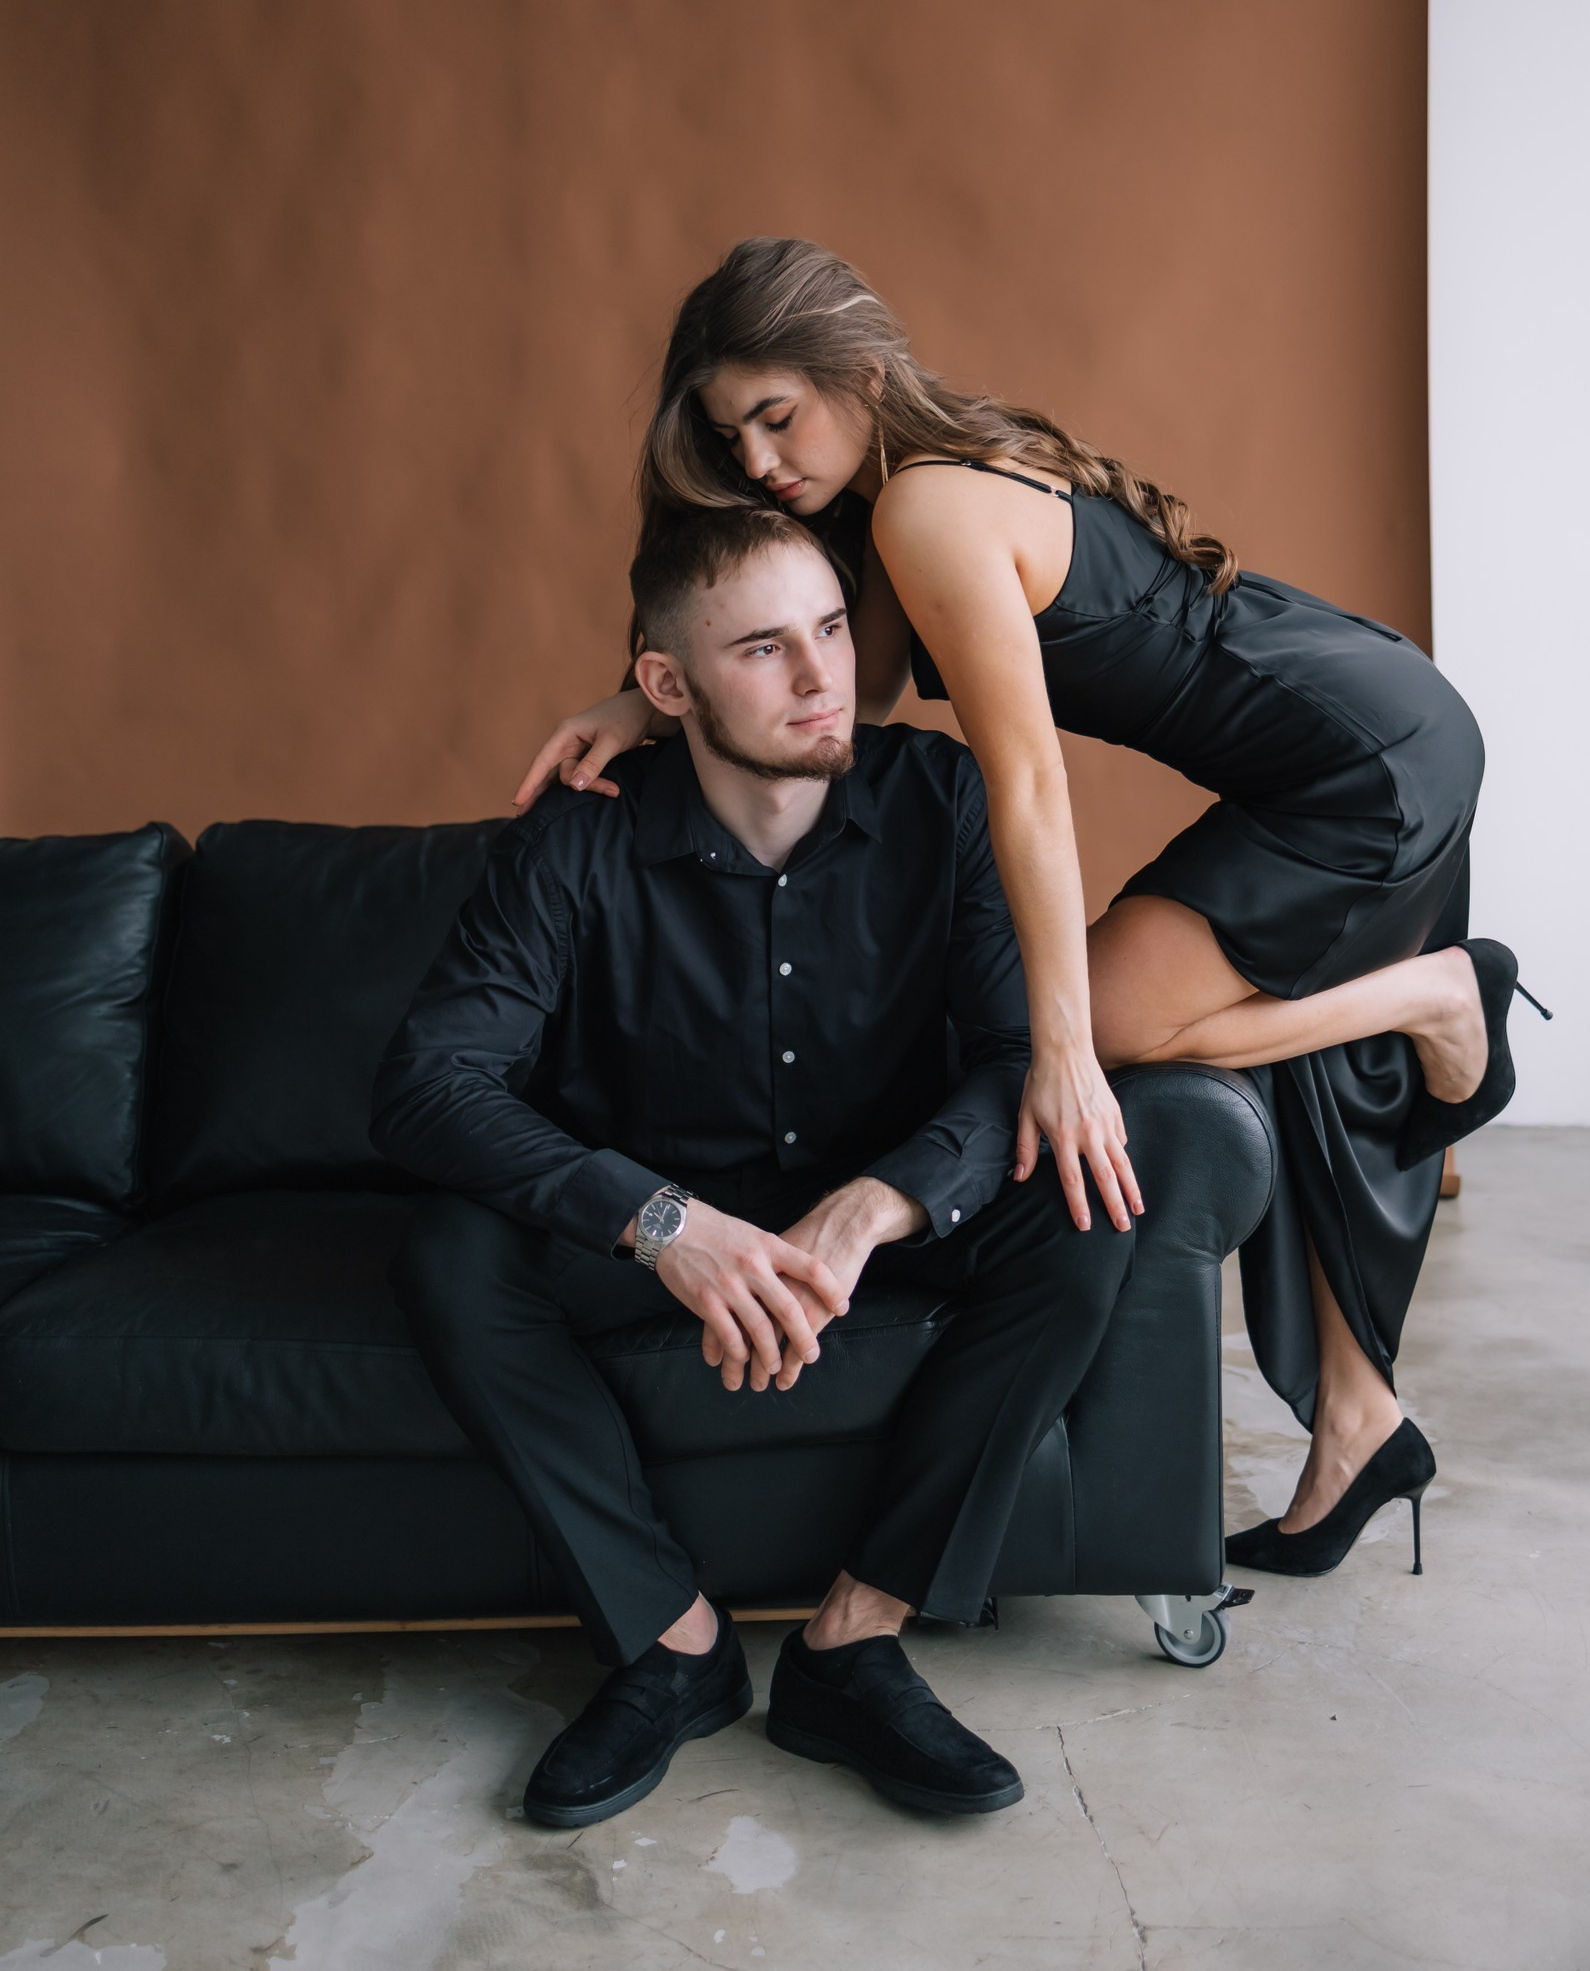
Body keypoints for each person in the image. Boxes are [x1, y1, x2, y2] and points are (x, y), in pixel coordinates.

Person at [515, 237, 1547, 1580]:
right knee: (1272, 1028)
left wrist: (1060, 1049)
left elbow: (1029, 784)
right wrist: (642, 699)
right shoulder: (903, 504)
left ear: (858, 374)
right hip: (1354, 720)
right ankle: (1362, 1423)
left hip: (1357, 760)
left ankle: (1442, 994)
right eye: (730, 436)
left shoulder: (925, 511)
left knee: (1107, 1030)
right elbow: (853, 698)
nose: (758, 460)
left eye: (776, 415)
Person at [374, 506, 1135, 1827]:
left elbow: (1019, 1052)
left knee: (1083, 1213)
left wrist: (883, 1203)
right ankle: (673, 1648)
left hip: (875, 1200)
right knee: (451, 1253)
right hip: (656, 1216)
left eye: (831, 629)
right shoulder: (572, 841)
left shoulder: (940, 797)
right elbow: (427, 1084)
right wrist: (663, 1222)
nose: (823, 674)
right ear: (665, 686)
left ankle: (855, 1642)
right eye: (765, 648)